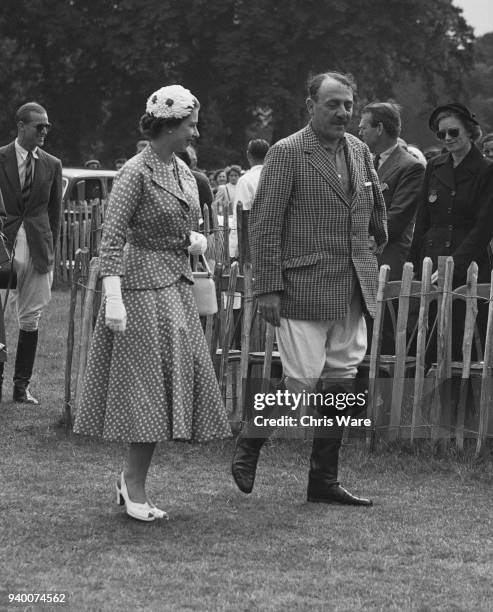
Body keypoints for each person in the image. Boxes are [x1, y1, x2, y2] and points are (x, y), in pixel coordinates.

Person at [73, 85, 231, 522]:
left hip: (177, 290)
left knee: (161, 393)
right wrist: (113, 295)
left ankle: (131, 481)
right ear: (167, 125)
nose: (194, 133)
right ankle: (134, 487)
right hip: (141, 291)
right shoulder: (135, 171)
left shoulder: (181, 169)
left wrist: (194, 239)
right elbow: (111, 237)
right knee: (144, 395)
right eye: (189, 126)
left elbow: (183, 221)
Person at [231, 71, 387, 506]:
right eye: (332, 104)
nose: (342, 112)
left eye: (348, 105)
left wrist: (378, 235)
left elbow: (373, 204)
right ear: (310, 106)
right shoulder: (287, 152)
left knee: (341, 381)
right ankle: (250, 442)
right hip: (302, 287)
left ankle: (323, 480)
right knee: (299, 383)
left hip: (353, 286)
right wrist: (267, 288)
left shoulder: (359, 150)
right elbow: (265, 225)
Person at [408, 103, 493, 359]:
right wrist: (412, 264)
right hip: (431, 262)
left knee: (462, 344)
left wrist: (456, 263)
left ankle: (460, 397)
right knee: (428, 342)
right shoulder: (435, 166)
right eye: (441, 134)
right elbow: (422, 218)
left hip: (467, 265)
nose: (447, 139)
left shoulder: (486, 170)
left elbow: (484, 227)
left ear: (469, 131)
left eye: (453, 132)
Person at [0, 101, 62, 404]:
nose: (45, 131)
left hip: (37, 249)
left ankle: (21, 386)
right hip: (3, 247)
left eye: (47, 126)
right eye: (39, 126)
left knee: (31, 318)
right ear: (21, 126)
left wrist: (51, 251)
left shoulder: (52, 164)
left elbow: (55, 214)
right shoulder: (0, 158)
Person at [359, 102, 424, 281]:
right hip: (363, 258)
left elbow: (397, 218)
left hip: (388, 261)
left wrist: (358, 233)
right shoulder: (366, 163)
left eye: (363, 127)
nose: (359, 133)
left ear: (379, 128)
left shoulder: (411, 167)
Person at [229, 139, 270, 259]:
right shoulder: (277, 177)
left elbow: (240, 215)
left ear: (248, 155)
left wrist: (233, 248)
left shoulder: (246, 180)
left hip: (251, 243)